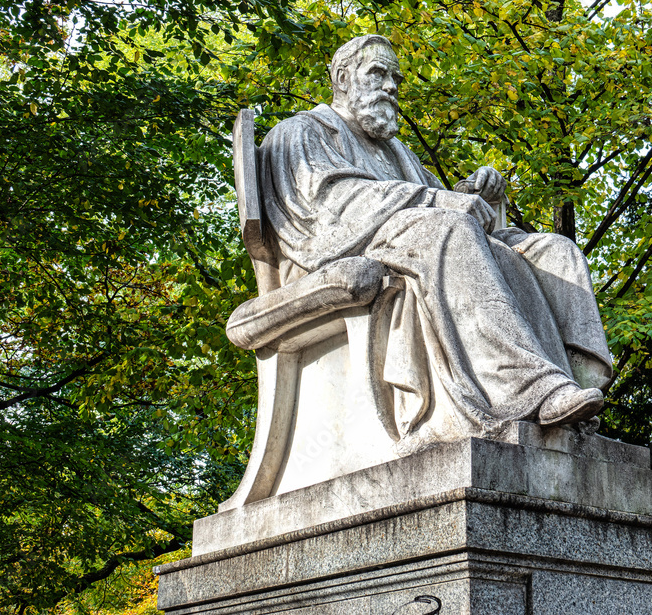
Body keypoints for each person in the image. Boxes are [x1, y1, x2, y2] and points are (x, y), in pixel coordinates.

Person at [258, 34, 613, 449]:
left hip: (419, 242)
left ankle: (578, 396)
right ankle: (531, 390)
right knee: (446, 230)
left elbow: (449, 208)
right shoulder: (299, 133)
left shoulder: (399, 154)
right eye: (378, 73)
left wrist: (478, 197)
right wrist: (442, 201)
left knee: (554, 251)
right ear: (341, 78)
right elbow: (330, 209)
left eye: (396, 78)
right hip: (340, 253)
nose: (391, 86)